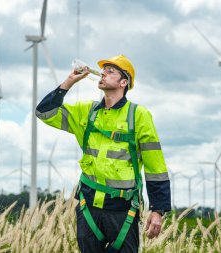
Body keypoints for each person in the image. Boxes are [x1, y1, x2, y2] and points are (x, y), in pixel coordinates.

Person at [36, 55, 171, 252]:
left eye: (110, 71)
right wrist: (69, 81)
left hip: (123, 211)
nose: (103, 73)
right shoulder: (87, 111)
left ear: (123, 82)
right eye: (103, 69)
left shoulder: (139, 115)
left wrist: (158, 210)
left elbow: (155, 166)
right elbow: (44, 113)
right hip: (88, 207)